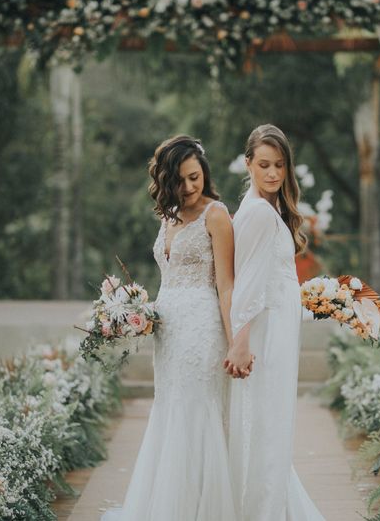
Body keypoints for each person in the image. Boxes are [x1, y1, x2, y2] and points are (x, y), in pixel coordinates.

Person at [103, 135, 238, 520]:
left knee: (198, 409)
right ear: (166, 182)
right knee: (171, 408)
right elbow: (168, 277)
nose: (191, 186)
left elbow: (226, 285)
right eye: (181, 180)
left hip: (202, 326)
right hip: (169, 331)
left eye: (196, 177)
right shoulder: (168, 216)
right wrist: (139, 313)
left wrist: (233, 341)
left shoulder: (217, 214)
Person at [224, 124, 326, 521]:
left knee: (273, 422)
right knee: (267, 423)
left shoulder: (268, 209)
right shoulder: (260, 214)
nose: (271, 173)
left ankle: (271, 504)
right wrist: (241, 341)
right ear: (247, 164)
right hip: (265, 336)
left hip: (281, 328)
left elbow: (275, 280)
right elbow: (247, 282)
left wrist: (318, 303)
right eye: (263, 164)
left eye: (279, 165)